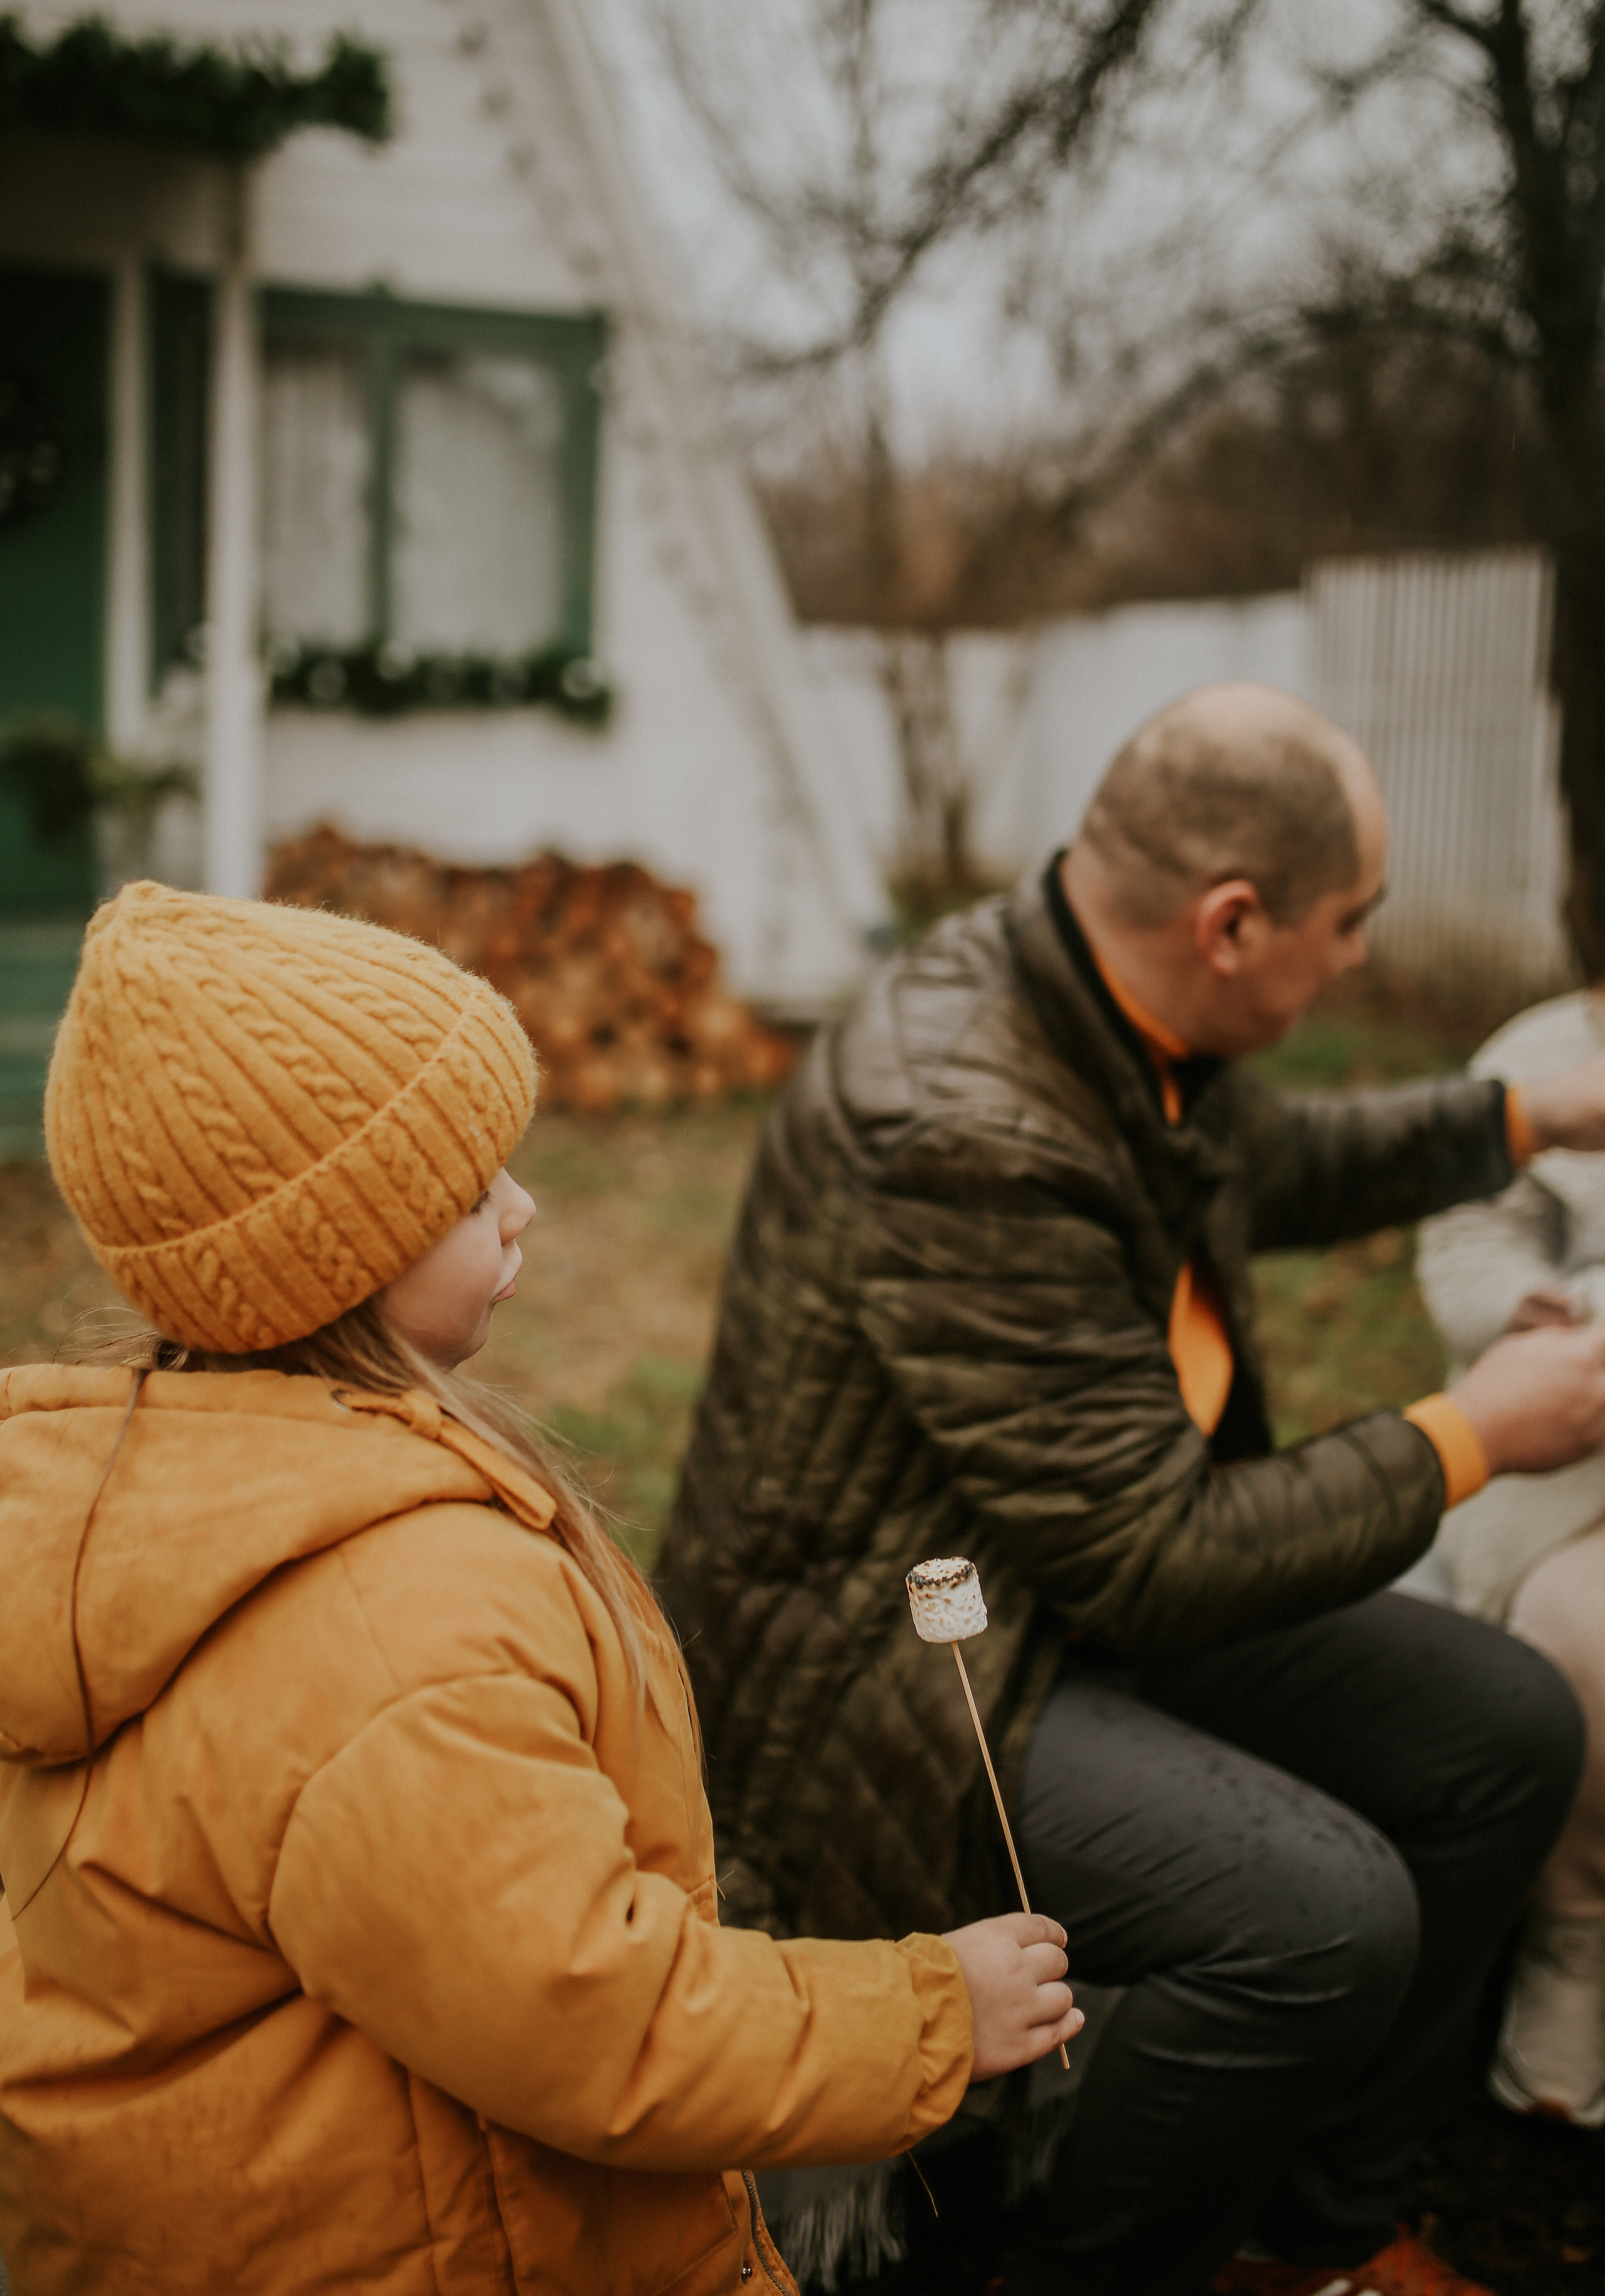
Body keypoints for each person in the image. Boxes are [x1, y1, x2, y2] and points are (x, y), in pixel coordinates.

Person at [0, 881, 1081, 2296]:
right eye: (466, 1193)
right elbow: (600, 2018)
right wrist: (929, 2014)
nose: (523, 1206)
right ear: (331, 1253)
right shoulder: (390, 1634)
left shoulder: (166, 1485)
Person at [658, 682, 1605, 2296]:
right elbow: (1154, 1564)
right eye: (1349, 920)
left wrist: (1525, 1115)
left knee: (1502, 1727)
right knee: (1320, 1913)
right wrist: (1474, 1430)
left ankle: (1303, 2236)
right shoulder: (965, 1120)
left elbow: (1271, 1164)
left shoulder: (1104, 1004)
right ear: (1229, 924)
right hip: (901, 1662)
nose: (1358, 956)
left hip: (1062, 1577)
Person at [1418, 987, 1605, 2133]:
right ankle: (1573, 1935)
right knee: (1588, 1643)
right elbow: (1465, 1234)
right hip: (1565, 1464)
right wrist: (1537, 1309)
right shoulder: (1545, 1053)